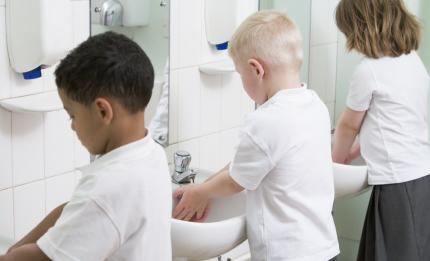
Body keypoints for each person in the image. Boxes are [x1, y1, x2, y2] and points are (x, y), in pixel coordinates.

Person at [173, 11, 339, 261]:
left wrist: (202, 193)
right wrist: (205, 186)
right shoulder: (314, 105)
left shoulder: (266, 120)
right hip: (322, 247)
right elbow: (246, 164)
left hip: (287, 254)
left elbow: (235, 181)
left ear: (256, 69)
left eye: (241, 75)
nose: (242, 82)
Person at [1, 31, 172, 261]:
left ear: (103, 111)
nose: (72, 127)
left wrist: (13, 255)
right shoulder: (150, 153)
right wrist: (17, 249)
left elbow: (43, 258)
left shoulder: (108, 186)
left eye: (72, 115)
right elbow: (74, 210)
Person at [332, 0, 430, 260]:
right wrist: (355, 151)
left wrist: (334, 159)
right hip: (419, 176)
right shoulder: (412, 60)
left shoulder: (369, 70)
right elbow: (393, 121)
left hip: (398, 183)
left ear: (361, 29)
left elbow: (349, 124)